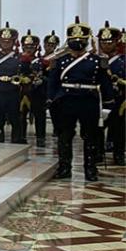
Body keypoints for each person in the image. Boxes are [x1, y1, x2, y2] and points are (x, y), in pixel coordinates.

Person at [48, 17, 114, 181]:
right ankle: (64, 167)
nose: (77, 44)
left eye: (80, 41)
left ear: (86, 41)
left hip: (88, 101)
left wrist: (107, 104)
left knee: (90, 136)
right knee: (65, 136)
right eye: (73, 40)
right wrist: (52, 100)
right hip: (66, 101)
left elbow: (105, 83)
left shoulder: (97, 61)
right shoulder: (60, 61)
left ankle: (90, 169)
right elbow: (53, 83)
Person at [97, 22, 124, 166]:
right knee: (97, 128)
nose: (106, 45)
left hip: (118, 99)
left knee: (118, 129)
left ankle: (118, 154)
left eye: (109, 42)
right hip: (100, 99)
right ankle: (99, 153)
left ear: (116, 42)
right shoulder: (97, 60)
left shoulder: (122, 61)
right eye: (103, 42)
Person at [20, 30, 47, 147]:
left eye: (31, 46)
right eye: (26, 46)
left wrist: (42, 80)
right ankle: (21, 136)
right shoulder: (18, 60)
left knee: (39, 116)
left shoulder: (42, 62)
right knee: (20, 116)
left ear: (36, 47)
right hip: (20, 92)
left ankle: (40, 138)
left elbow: (48, 77)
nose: (29, 49)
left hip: (37, 93)